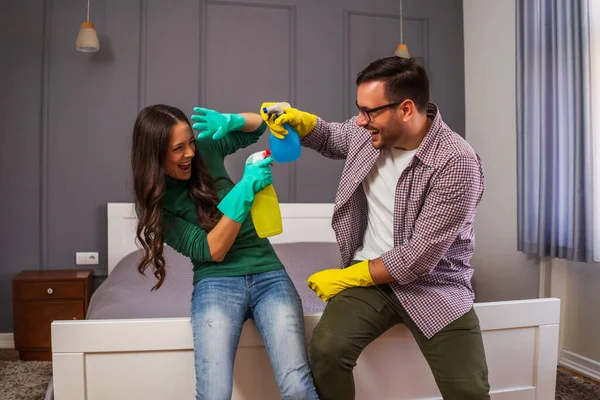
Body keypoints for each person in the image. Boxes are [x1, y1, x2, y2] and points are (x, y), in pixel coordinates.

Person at [260, 56, 490, 400]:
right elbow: (331, 137)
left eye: (369, 112)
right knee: (327, 350)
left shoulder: (457, 161)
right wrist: (299, 121)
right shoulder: (368, 133)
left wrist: (343, 278)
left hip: (435, 286)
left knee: (469, 391)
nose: (360, 120)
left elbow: (418, 258)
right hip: (371, 284)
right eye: (359, 109)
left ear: (407, 109)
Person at [130, 104, 319, 400]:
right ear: (154, 156)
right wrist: (244, 189)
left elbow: (259, 126)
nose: (190, 153)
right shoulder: (154, 203)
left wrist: (232, 120)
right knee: (214, 394)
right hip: (216, 281)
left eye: (190, 142)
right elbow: (211, 249)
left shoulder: (205, 150)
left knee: (297, 387)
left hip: (267, 272)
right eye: (178, 148)